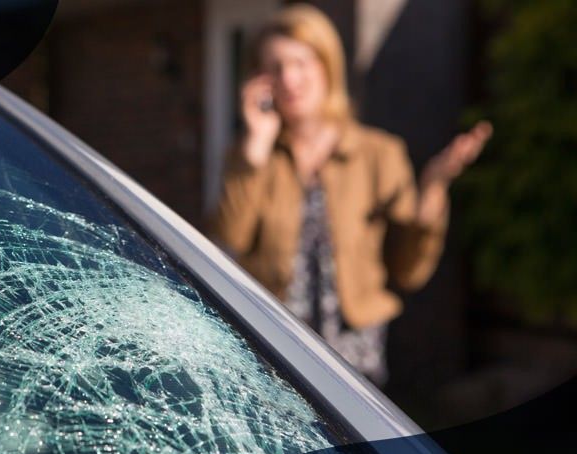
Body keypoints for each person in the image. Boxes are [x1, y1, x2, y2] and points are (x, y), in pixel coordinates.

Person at [208, 4, 492, 385]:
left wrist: (434, 187)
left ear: (327, 66)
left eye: (300, 62)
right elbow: (227, 243)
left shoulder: (379, 154)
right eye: (274, 67)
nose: (289, 78)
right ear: (259, 80)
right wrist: (253, 154)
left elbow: (409, 269)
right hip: (272, 351)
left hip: (356, 359)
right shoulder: (252, 157)